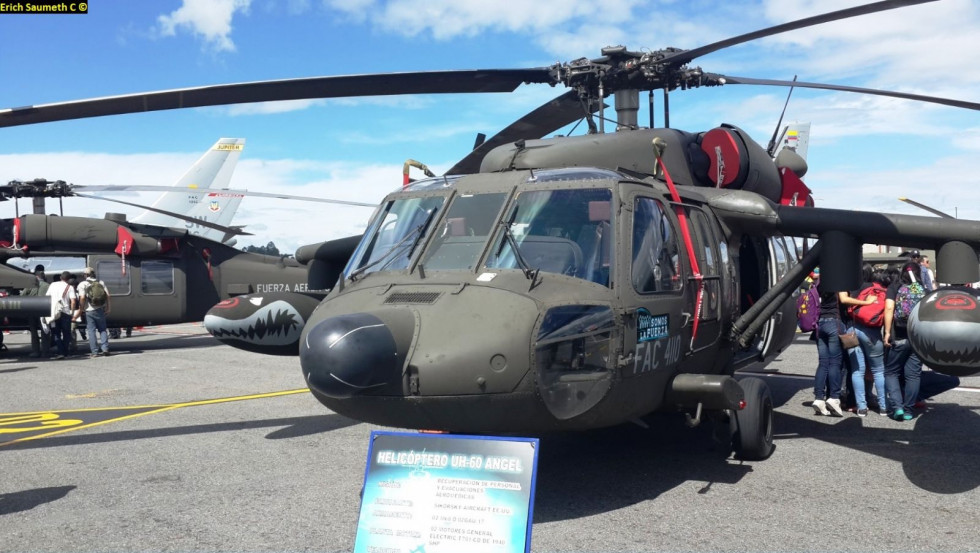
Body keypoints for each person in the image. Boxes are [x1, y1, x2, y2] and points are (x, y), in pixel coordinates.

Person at [839, 265, 888, 416]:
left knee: (857, 370)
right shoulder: (876, 288)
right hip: (872, 332)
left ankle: (861, 407)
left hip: (852, 330)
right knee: (878, 370)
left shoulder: (851, 287)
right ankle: (883, 406)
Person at [883, 261, 924, 421]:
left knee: (891, 372)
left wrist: (887, 332)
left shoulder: (895, 287)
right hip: (918, 337)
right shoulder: (923, 290)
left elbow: (888, 309)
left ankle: (897, 407)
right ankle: (908, 410)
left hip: (899, 335)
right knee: (913, 375)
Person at [813, 279, 846, 417]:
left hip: (820, 323)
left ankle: (819, 398)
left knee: (823, 363)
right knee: (835, 363)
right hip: (834, 322)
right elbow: (844, 300)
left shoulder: (819, 283)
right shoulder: (839, 282)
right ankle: (834, 397)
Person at [75, 266, 111, 357]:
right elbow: (108, 295)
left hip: (89, 311)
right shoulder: (100, 282)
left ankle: (95, 352)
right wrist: (108, 308)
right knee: (102, 329)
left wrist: (81, 308)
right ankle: (105, 348)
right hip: (100, 309)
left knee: (91, 331)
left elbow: (82, 297)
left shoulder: (83, 284)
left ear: (86, 275)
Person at [45, 271, 77, 360]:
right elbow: (73, 301)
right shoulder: (69, 287)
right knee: (66, 333)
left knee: (56, 333)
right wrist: (72, 312)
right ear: (69, 279)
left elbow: (47, 297)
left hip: (54, 313)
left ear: (60, 277)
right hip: (66, 312)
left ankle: (60, 351)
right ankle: (65, 352)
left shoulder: (52, 285)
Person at [21, 264, 50, 358]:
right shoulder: (47, 285)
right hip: (44, 311)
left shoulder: (30, 285)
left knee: (34, 332)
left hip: (31, 310)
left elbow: (23, 296)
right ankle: (45, 352)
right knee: (45, 331)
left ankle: (35, 351)